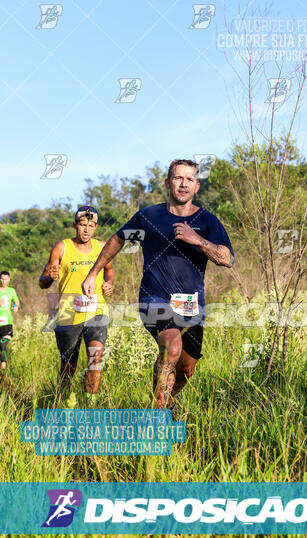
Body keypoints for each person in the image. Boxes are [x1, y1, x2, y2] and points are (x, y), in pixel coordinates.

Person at [81, 159, 234, 413]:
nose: (183, 184)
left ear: (196, 186)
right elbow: (118, 239)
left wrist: (197, 240)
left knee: (187, 367)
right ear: (167, 182)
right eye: (177, 178)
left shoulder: (207, 220)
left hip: (191, 305)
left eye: (189, 179)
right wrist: (93, 273)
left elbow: (226, 258)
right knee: (171, 346)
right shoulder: (148, 216)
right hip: (154, 298)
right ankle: (159, 417)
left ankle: (166, 402)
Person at [39, 206, 114, 403]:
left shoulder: (102, 248)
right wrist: (49, 277)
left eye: (91, 226)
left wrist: (109, 284)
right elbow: (42, 281)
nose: (86, 230)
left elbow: (110, 270)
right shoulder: (62, 248)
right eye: (82, 225)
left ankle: (90, 406)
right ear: (75, 225)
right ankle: (64, 403)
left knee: (95, 359)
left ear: (96, 227)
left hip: (96, 311)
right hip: (68, 314)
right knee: (68, 366)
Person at [0, 271, 20, 370]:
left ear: (9, 279)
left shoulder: (11, 291)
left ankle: (3, 370)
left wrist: (15, 306)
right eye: (2, 279)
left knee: (4, 345)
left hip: (7, 323)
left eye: (6, 279)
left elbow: (16, 301)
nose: (4, 281)